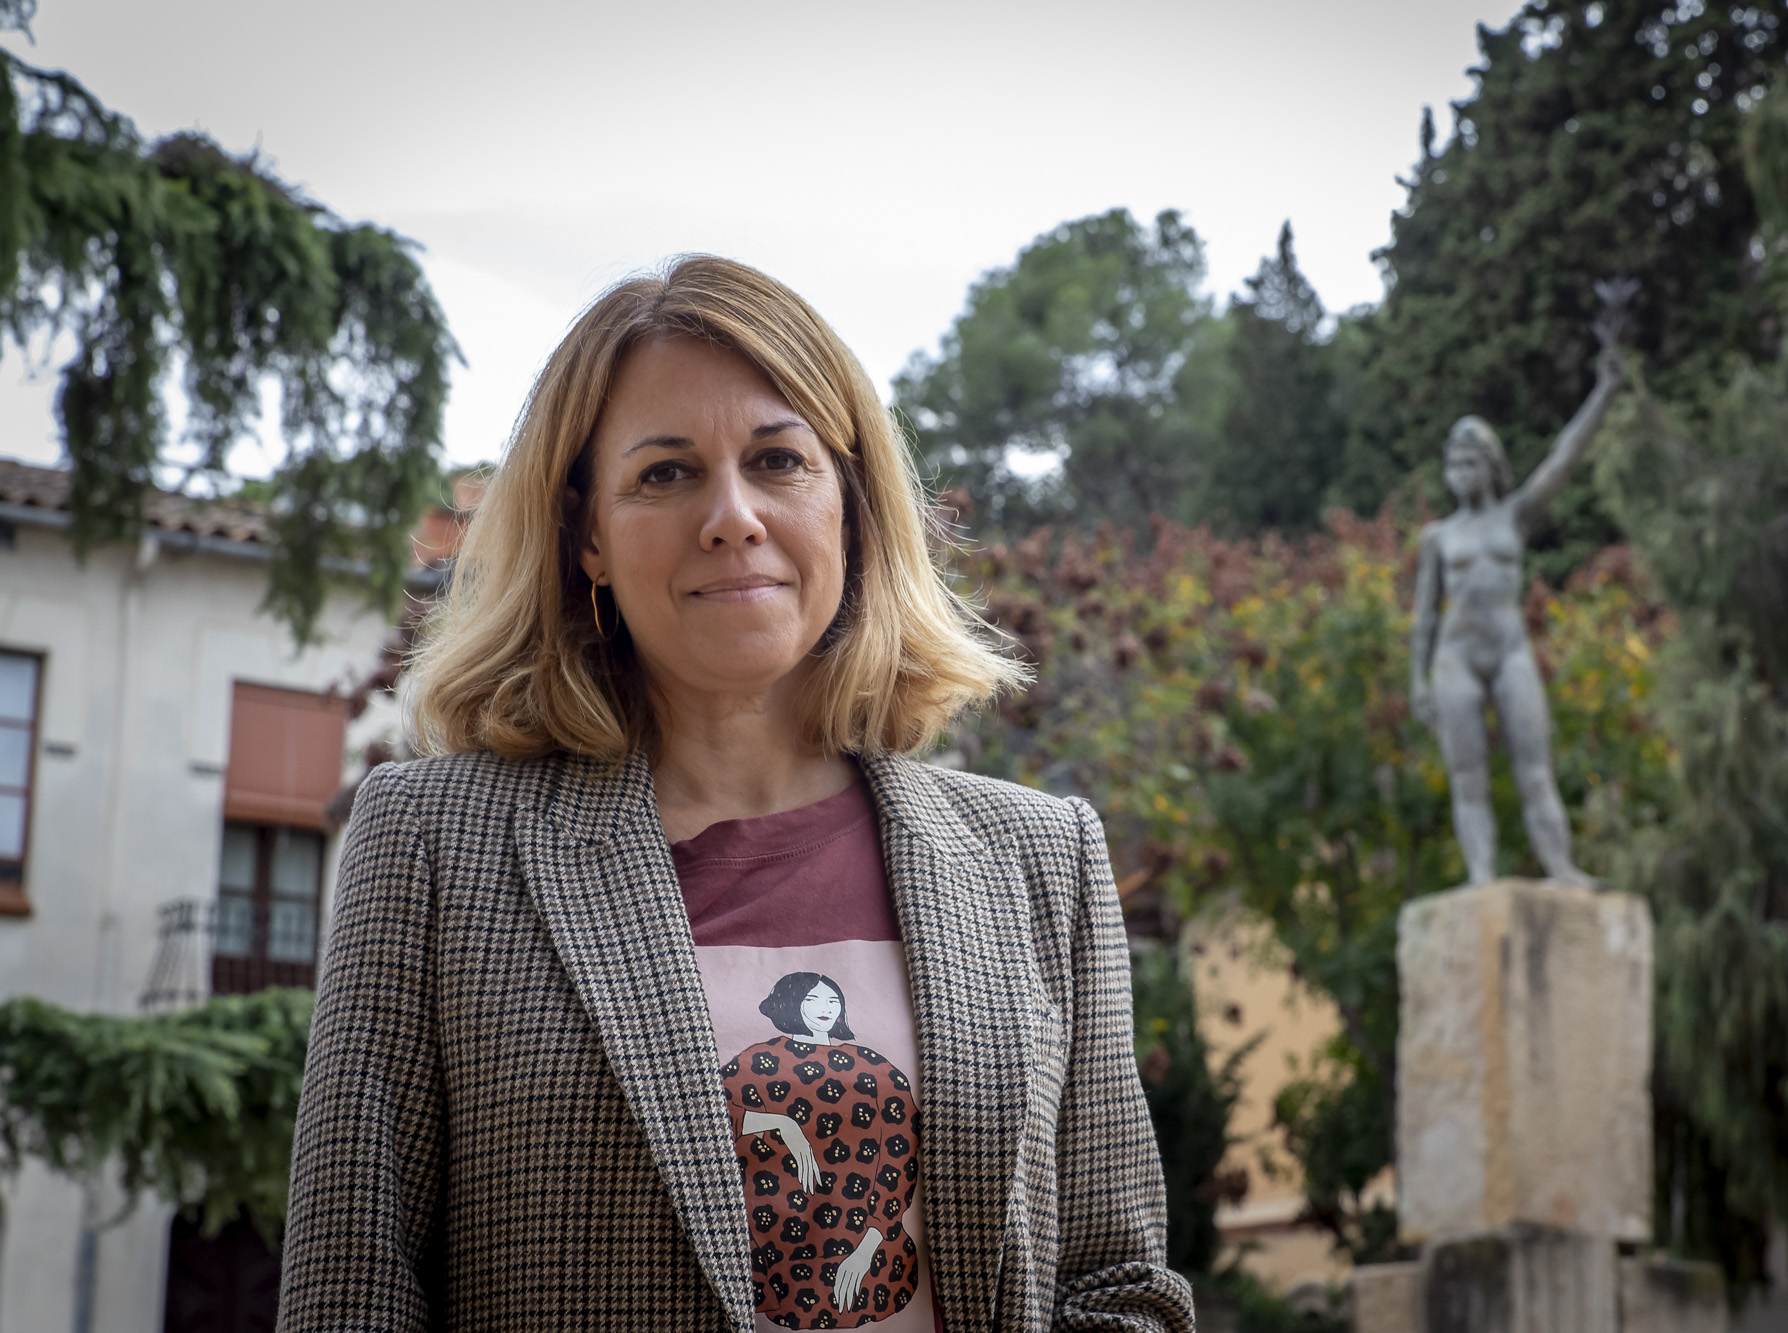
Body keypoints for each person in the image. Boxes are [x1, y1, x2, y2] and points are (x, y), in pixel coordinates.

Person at [275, 257, 1192, 1333]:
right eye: (665, 474)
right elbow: (351, 1294)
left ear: (847, 504)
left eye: (777, 460)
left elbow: (1117, 1287)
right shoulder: (431, 845)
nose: (731, 515)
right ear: (586, 536)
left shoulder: (1040, 861)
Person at [1409, 338, 1626, 887]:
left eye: (1469, 461)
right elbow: (1424, 617)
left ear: (1491, 465)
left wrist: (1604, 390)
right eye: (1452, 463)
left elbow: (1562, 458)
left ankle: (1560, 866)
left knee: (1535, 769)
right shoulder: (1438, 537)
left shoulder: (1515, 517)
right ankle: (1481, 875)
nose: (1459, 472)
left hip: (1508, 651)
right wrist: (1416, 680)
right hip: (1455, 657)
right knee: (1467, 776)